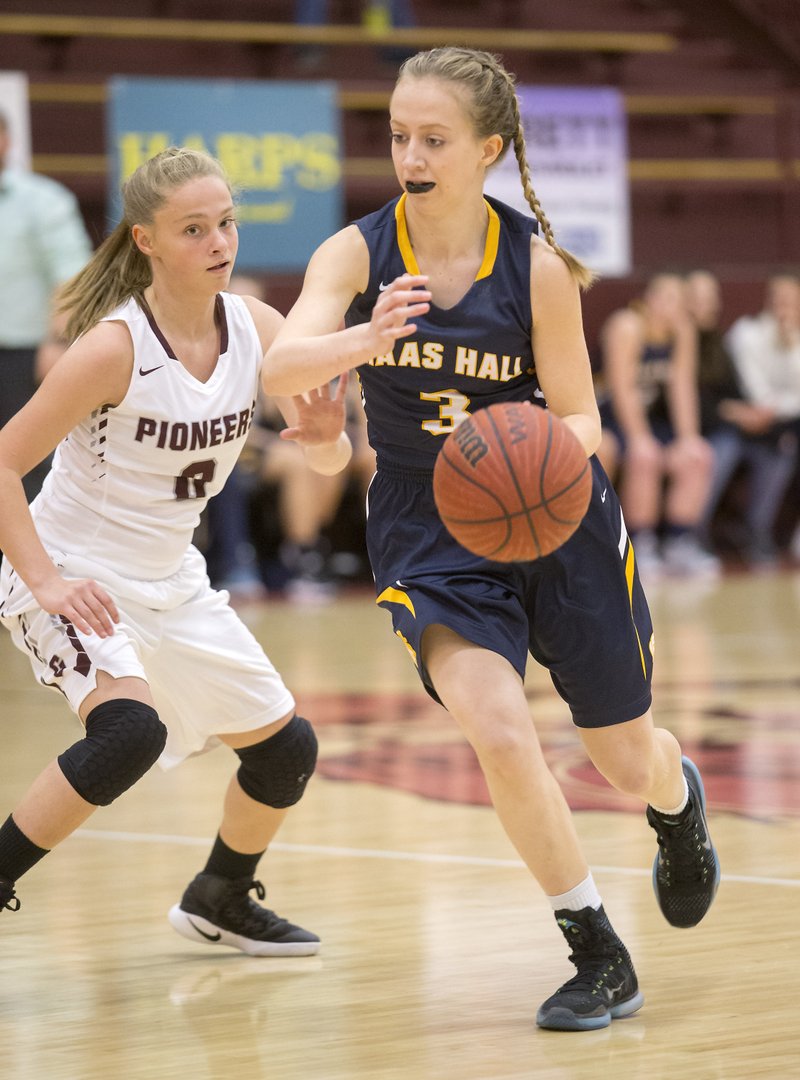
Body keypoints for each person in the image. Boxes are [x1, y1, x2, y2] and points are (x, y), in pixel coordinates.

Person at [262, 46, 720, 1031]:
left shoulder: (537, 267)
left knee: (618, 760)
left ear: (488, 149)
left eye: (433, 138)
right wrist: (358, 341)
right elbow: (283, 361)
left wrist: (521, 449)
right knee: (500, 732)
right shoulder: (356, 252)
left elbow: (586, 420)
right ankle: (596, 950)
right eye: (396, 136)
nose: (409, 156)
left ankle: (672, 794)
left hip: (551, 510)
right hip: (429, 529)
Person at [0, 147, 352, 956]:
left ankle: (220, 897)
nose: (218, 241)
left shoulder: (259, 330)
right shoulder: (113, 348)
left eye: (225, 222)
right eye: (194, 229)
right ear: (147, 241)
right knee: (128, 736)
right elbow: (5, 462)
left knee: (286, 751)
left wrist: (328, 440)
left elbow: (326, 461)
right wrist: (46, 581)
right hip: (77, 572)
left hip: (173, 580)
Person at [598, 272, 719, 578]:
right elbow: (621, 387)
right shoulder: (626, 325)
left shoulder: (682, 331)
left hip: (648, 418)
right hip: (607, 416)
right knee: (645, 457)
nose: (675, 307)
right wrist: (639, 438)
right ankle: (641, 543)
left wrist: (688, 438)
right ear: (649, 300)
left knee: (699, 455)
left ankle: (680, 541)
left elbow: (682, 387)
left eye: (680, 302)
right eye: (667, 298)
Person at [0, 108, 93, 503]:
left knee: (25, 463)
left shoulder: (43, 201)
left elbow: (71, 277)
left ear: (6, 140)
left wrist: (59, 342)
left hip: (23, 354)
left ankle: (30, 564)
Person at [697, 271, 800, 566]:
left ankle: (758, 529)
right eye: (779, 299)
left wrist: (792, 344)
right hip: (743, 423)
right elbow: (756, 393)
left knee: (784, 444)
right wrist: (775, 407)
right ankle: (694, 530)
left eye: (792, 300)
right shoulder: (747, 333)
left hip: (781, 426)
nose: (785, 306)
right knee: (725, 449)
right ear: (767, 300)